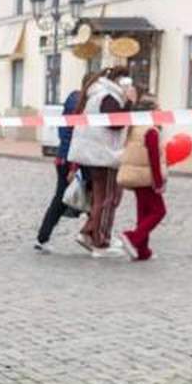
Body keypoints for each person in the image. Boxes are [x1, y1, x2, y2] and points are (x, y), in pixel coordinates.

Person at [66, 65, 127, 253]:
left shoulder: (97, 93)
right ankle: (100, 241)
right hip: (105, 154)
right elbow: (116, 124)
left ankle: (88, 232)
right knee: (108, 198)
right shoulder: (108, 96)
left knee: (100, 198)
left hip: (95, 154)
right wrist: (130, 102)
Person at [33, 81, 85, 252]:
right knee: (80, 198)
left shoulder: (72, 100)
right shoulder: (80, 103)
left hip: (63, 158)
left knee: (65, 199)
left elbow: (65, 133)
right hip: (69, 160)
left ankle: (43, 237)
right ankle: (93, 235)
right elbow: (74, 136)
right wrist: (74, 166)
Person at [115, 91, 167, 261]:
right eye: (158, 108)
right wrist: (158, 182)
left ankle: (142, 250)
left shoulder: (135, 128)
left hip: (135, 175)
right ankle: (132, 237)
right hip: (146, 177)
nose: (161, 111)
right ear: (151, 111)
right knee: (159, 211)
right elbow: (153, 159)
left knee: (143, 213)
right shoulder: (151, 131)